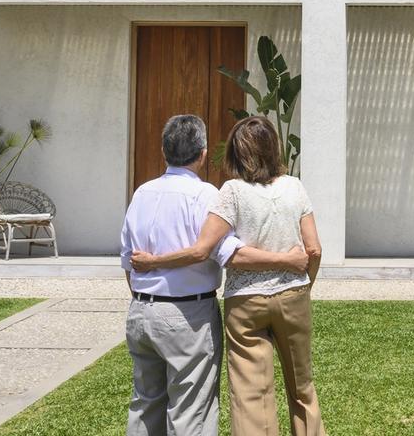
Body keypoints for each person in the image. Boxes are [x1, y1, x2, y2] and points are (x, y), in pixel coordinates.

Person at [131, 116, 325, 436]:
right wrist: (302, 284)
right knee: (302, 387)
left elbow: (204, 248)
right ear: (273, 148)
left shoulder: (231, 192)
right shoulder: (296, 186)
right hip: (294, 297)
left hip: (246, 302)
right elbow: (314, 250)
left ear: (236, 152)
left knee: (251, 395)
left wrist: (154, 262)